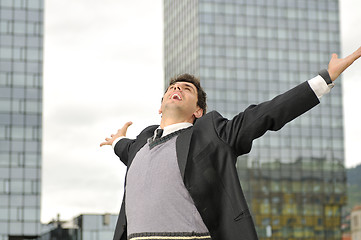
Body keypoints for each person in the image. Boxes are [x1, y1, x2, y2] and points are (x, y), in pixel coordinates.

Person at [100, 47, 361, 240]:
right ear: (160, 106)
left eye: (186, 89)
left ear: (198, 111)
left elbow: (264, 115)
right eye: (172, 87)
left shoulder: (211, 135)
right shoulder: (139, 146)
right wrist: (117, 141)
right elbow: (124, 148)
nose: (176, 88)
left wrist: (324, 79)